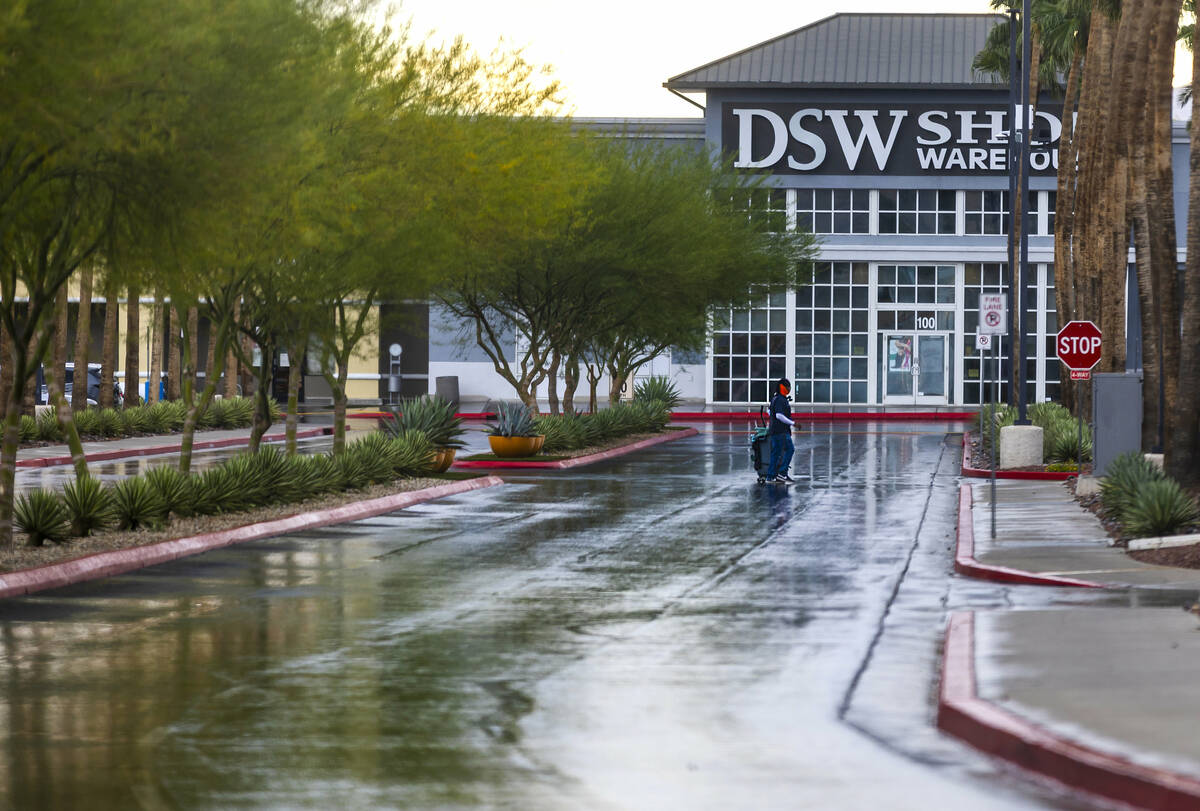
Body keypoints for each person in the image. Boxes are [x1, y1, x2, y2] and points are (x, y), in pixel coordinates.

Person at [764, 377, 795, 483]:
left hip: (775, 430)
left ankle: (771, 476)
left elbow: (769, 412)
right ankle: (782, 473)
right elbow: (779, 415)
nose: (789, 388)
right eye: (788, 386)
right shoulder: (780, 399)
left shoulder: (776, 398)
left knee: (776, 453)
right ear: (783, 387)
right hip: (781, 431)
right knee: (790, 449)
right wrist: (792, 423)